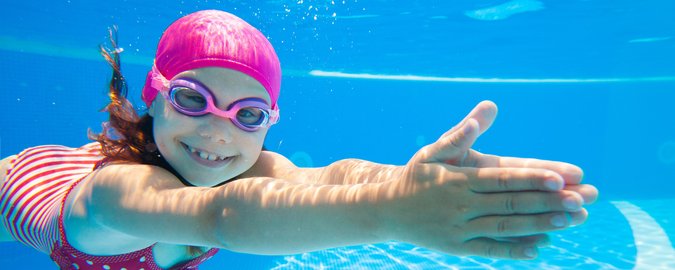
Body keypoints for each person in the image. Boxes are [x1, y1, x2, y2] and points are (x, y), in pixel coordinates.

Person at [0, 10, 598, 269]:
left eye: (249, 114)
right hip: (31, 184)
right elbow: (220, 216)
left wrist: (419, 186)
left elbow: (333, 178)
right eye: (191, 99)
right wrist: (392, 215)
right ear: (155, 95)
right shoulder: (118, 194)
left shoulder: (240, 163)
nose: (217, 130)